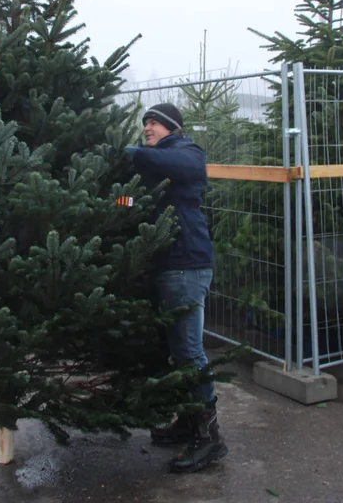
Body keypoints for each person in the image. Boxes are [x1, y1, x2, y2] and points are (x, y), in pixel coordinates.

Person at [126, 102, 228, 474]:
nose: (147, 128)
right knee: (176, 349)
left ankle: (209, 438)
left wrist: (130, 153)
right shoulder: (155, 161)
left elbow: (184, 167)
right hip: (166, 264)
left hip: (187, 264)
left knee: (189, 351)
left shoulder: (186, 152)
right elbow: (138, 202)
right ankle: (188, 422)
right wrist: (115, 203)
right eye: (144, 123)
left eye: (152, 122)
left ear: (171, 126)